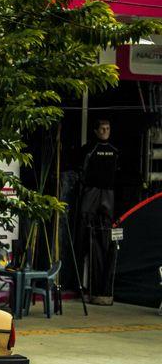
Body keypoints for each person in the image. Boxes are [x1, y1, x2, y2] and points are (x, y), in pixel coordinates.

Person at [76, 119, 120, 304]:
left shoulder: (114, 150)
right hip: (92, 191)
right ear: (95, 130)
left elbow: (118, 172)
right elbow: (82, 170)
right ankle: (83, 284)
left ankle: (101, 287)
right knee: (86, 229)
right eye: (102, 128)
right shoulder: (89, 149)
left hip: (107, 192)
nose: (105, 131)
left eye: (108, 128)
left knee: (106, 232)